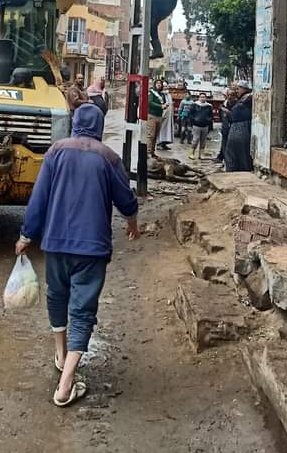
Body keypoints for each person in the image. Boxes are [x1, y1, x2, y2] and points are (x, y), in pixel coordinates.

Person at [16, 103, 139, 407]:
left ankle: (61, 355)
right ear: (99, 127)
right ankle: (65, 383)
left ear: (74, 123)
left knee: (57, 297)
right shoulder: (108, 157)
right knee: (82, 310)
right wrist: (132, 223)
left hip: (55, 244)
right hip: (92, 248)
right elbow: (126, 199)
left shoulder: (55, 152)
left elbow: (39, 198)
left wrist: (26, 235)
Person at [224, 81, 253, 172]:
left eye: (238, 88)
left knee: (241, 153)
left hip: (242, 128)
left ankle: (242, 172)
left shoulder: (248, 98)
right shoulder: (240, 100)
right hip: (234, 129)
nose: (237, 91)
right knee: (232, 153)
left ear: (244, 88)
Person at [188, 92, 213, 160]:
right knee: (195, 139)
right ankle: (192, 153)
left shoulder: (209, 106)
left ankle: (201, 154)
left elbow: (211, 116)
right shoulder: (194, 105)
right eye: (201, 97)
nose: (202, 98)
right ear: (199, 98)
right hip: (196, 125)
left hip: (205, 126)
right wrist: (192, 123)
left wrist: (209, 123)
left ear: (206, 98)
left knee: (203, 141)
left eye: (204, 97)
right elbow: (190, 114)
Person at [147, 78, 167, 159]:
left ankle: (152, 152)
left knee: (155, 135)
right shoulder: (151, 93)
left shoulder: (162, 95)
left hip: (159, 116)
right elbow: (150, 102)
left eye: (160, 83)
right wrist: (160, 106)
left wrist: (165, 105)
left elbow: (163, 103)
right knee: (151, 135)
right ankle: (148, 152)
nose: (159, 84)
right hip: (152, 115)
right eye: (157, 83)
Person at [217, 87, 237, 164]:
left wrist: (227, 112)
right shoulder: (224, 104)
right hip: (225, 129)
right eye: (228, 95)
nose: (230, 97)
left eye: (232, 95)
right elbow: (221, 117)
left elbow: (234, 117)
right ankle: (225, 160)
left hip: (234, 130)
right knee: (224, 145)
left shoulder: (237, 105)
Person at [157, 81, 174, 150]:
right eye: (164, 86)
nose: (165, 87)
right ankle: (159, 144)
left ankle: (164, 144)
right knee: (161, 129)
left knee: (167, 130)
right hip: (163, 115)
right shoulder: (160, 95)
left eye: (166, 86)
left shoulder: (168, 94)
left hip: (169, 116)